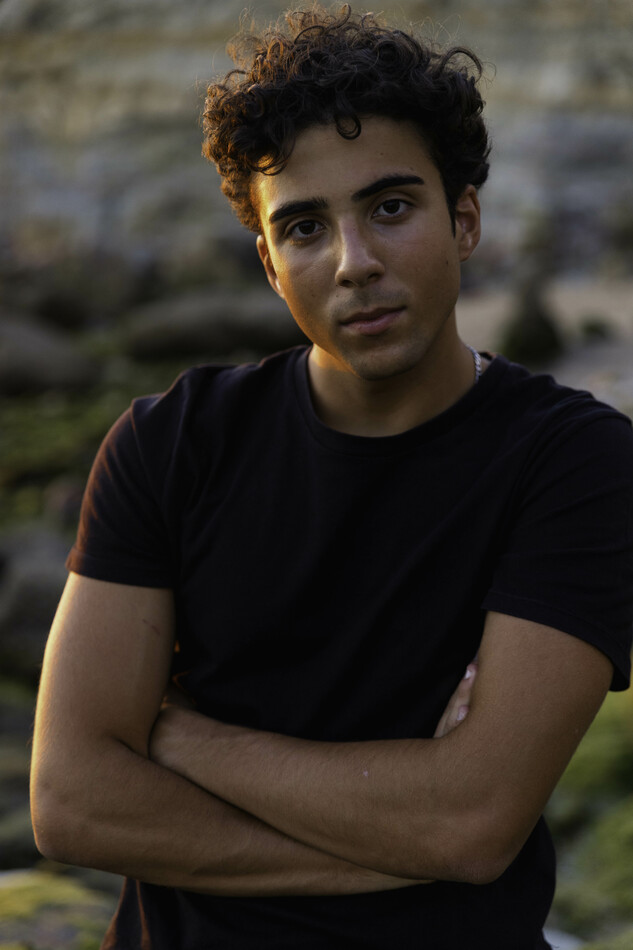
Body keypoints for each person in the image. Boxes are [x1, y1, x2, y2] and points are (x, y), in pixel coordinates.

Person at [30, 6, 633, 949]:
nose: (354, 264)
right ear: (270, 266)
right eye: (306, 227)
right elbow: (73, 802)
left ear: (463, 219)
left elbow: (471, 822)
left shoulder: (574, 463)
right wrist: (402, 842)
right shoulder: (170, 444)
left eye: (390, 208)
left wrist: (180, 737)